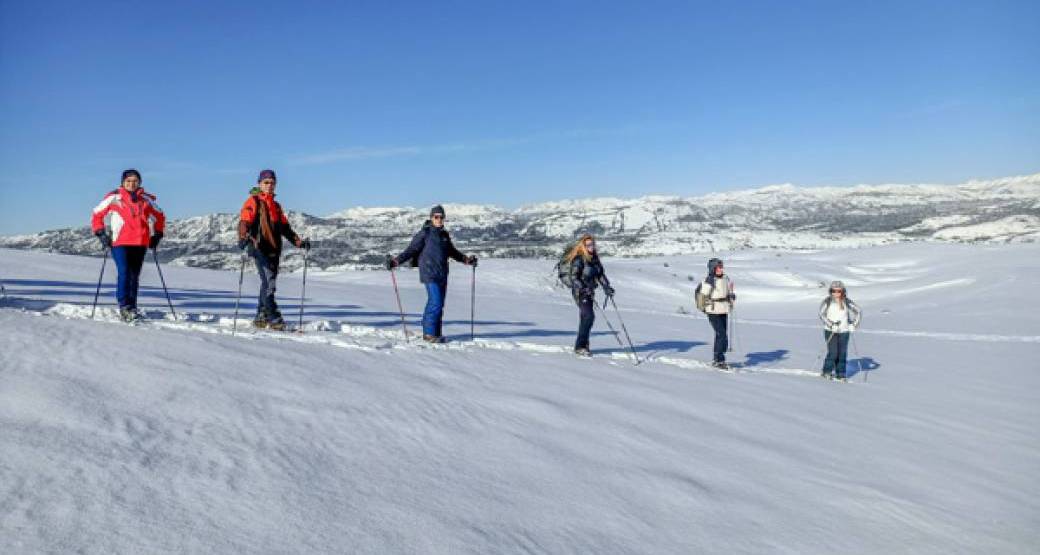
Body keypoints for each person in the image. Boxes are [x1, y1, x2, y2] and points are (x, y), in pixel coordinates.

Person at [386, 205, 477, 343]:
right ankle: (428, 333)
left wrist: (467, 260)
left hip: (442, 273)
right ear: (431, 218)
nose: (439, 219)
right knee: (436, 302)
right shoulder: (425, 234)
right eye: (436, 217)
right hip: (429, 273)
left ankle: (436, 333)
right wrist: (396, 261)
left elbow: (453, 252)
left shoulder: (444, 235)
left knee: (439, 304)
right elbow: (410, 250)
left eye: (441, 217)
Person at [236, 169, 311, 330]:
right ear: (260, 184)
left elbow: (285, 228)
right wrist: (243, 237)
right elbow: (244, 221)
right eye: (266, 182)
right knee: (269, 283)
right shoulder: (253, 201)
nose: (270, 185)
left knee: (268, 283)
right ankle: (274, 317)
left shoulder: (276, 206)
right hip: (259, 247)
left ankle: (260, 316)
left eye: (272, 183)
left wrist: (299, 242)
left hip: (274, 249)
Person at [91, 169, 166, 323]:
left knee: (134, 276)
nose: (131, 184)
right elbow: (96, 214)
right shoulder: (114, 198)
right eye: (128, 181)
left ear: (139, 183)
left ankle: (132, 306)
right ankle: (124, 306)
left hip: (140, 242)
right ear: (123, 182)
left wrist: (157, 234)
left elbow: (160, 216)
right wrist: (100, 232)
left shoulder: (146, 200)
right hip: (120, 241)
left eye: (135, 181)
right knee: (124, 272)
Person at [563, 234, 614, 357]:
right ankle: (580, 346)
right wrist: (584, 288)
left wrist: (606, 286)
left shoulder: (594, 258)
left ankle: (583, 345)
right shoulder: (579, 259)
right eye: (588, 245)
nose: (591, 247)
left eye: (593, 244)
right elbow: (574, 277)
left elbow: (600, 274)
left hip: (590, 292)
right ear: (583, 246)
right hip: (580, 292)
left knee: (587, 318)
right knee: (588, 317)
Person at [818, 280, 862, 382]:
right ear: (830, 291)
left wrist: (853, 325)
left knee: (842, 353)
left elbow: (858, 312)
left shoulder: (847, 301)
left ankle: (840, 374)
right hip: (830, 330)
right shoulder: (827, 301)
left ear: (843, 291)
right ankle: (826, 371)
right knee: (833, 352)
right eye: (834, 291)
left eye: (839, 291)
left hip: (844, 331)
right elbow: (821, 314)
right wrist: (830, 324)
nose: (836, 293)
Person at [698, 258, 735, 369]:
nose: (721, 269)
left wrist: (731, 295)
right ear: (713, 268)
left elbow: (727, 293)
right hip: (713, 310)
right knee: (721, 334)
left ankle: (718, 358)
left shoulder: (725, 278)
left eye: (721, 267)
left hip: (724, 309)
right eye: (718, 267)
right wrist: (705, 309)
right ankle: (719, 360)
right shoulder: (709, 280)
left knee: (722, 335)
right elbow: (702, 295)